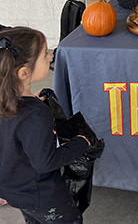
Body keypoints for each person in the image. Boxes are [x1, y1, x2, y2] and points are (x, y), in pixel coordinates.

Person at [0, 27, 91, 224]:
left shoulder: (7, 103)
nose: (50, 57)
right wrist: (80, 143)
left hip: (13, 191)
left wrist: (33, 101)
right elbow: (46, 162)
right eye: (44, 54)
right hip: (43, 195)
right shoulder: (35, 114)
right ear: (24, 72)